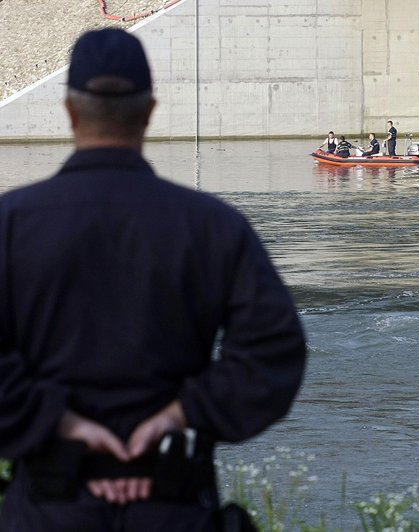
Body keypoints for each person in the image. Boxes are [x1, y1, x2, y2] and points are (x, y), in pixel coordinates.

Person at [0, 28, 306, 532]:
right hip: (173, 507)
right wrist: (180, 414)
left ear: (70, 112)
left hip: (47, 509)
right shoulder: (213, 226)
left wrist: (57, 422)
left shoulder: (11, 223)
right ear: (149, 111)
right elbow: (274, 352)